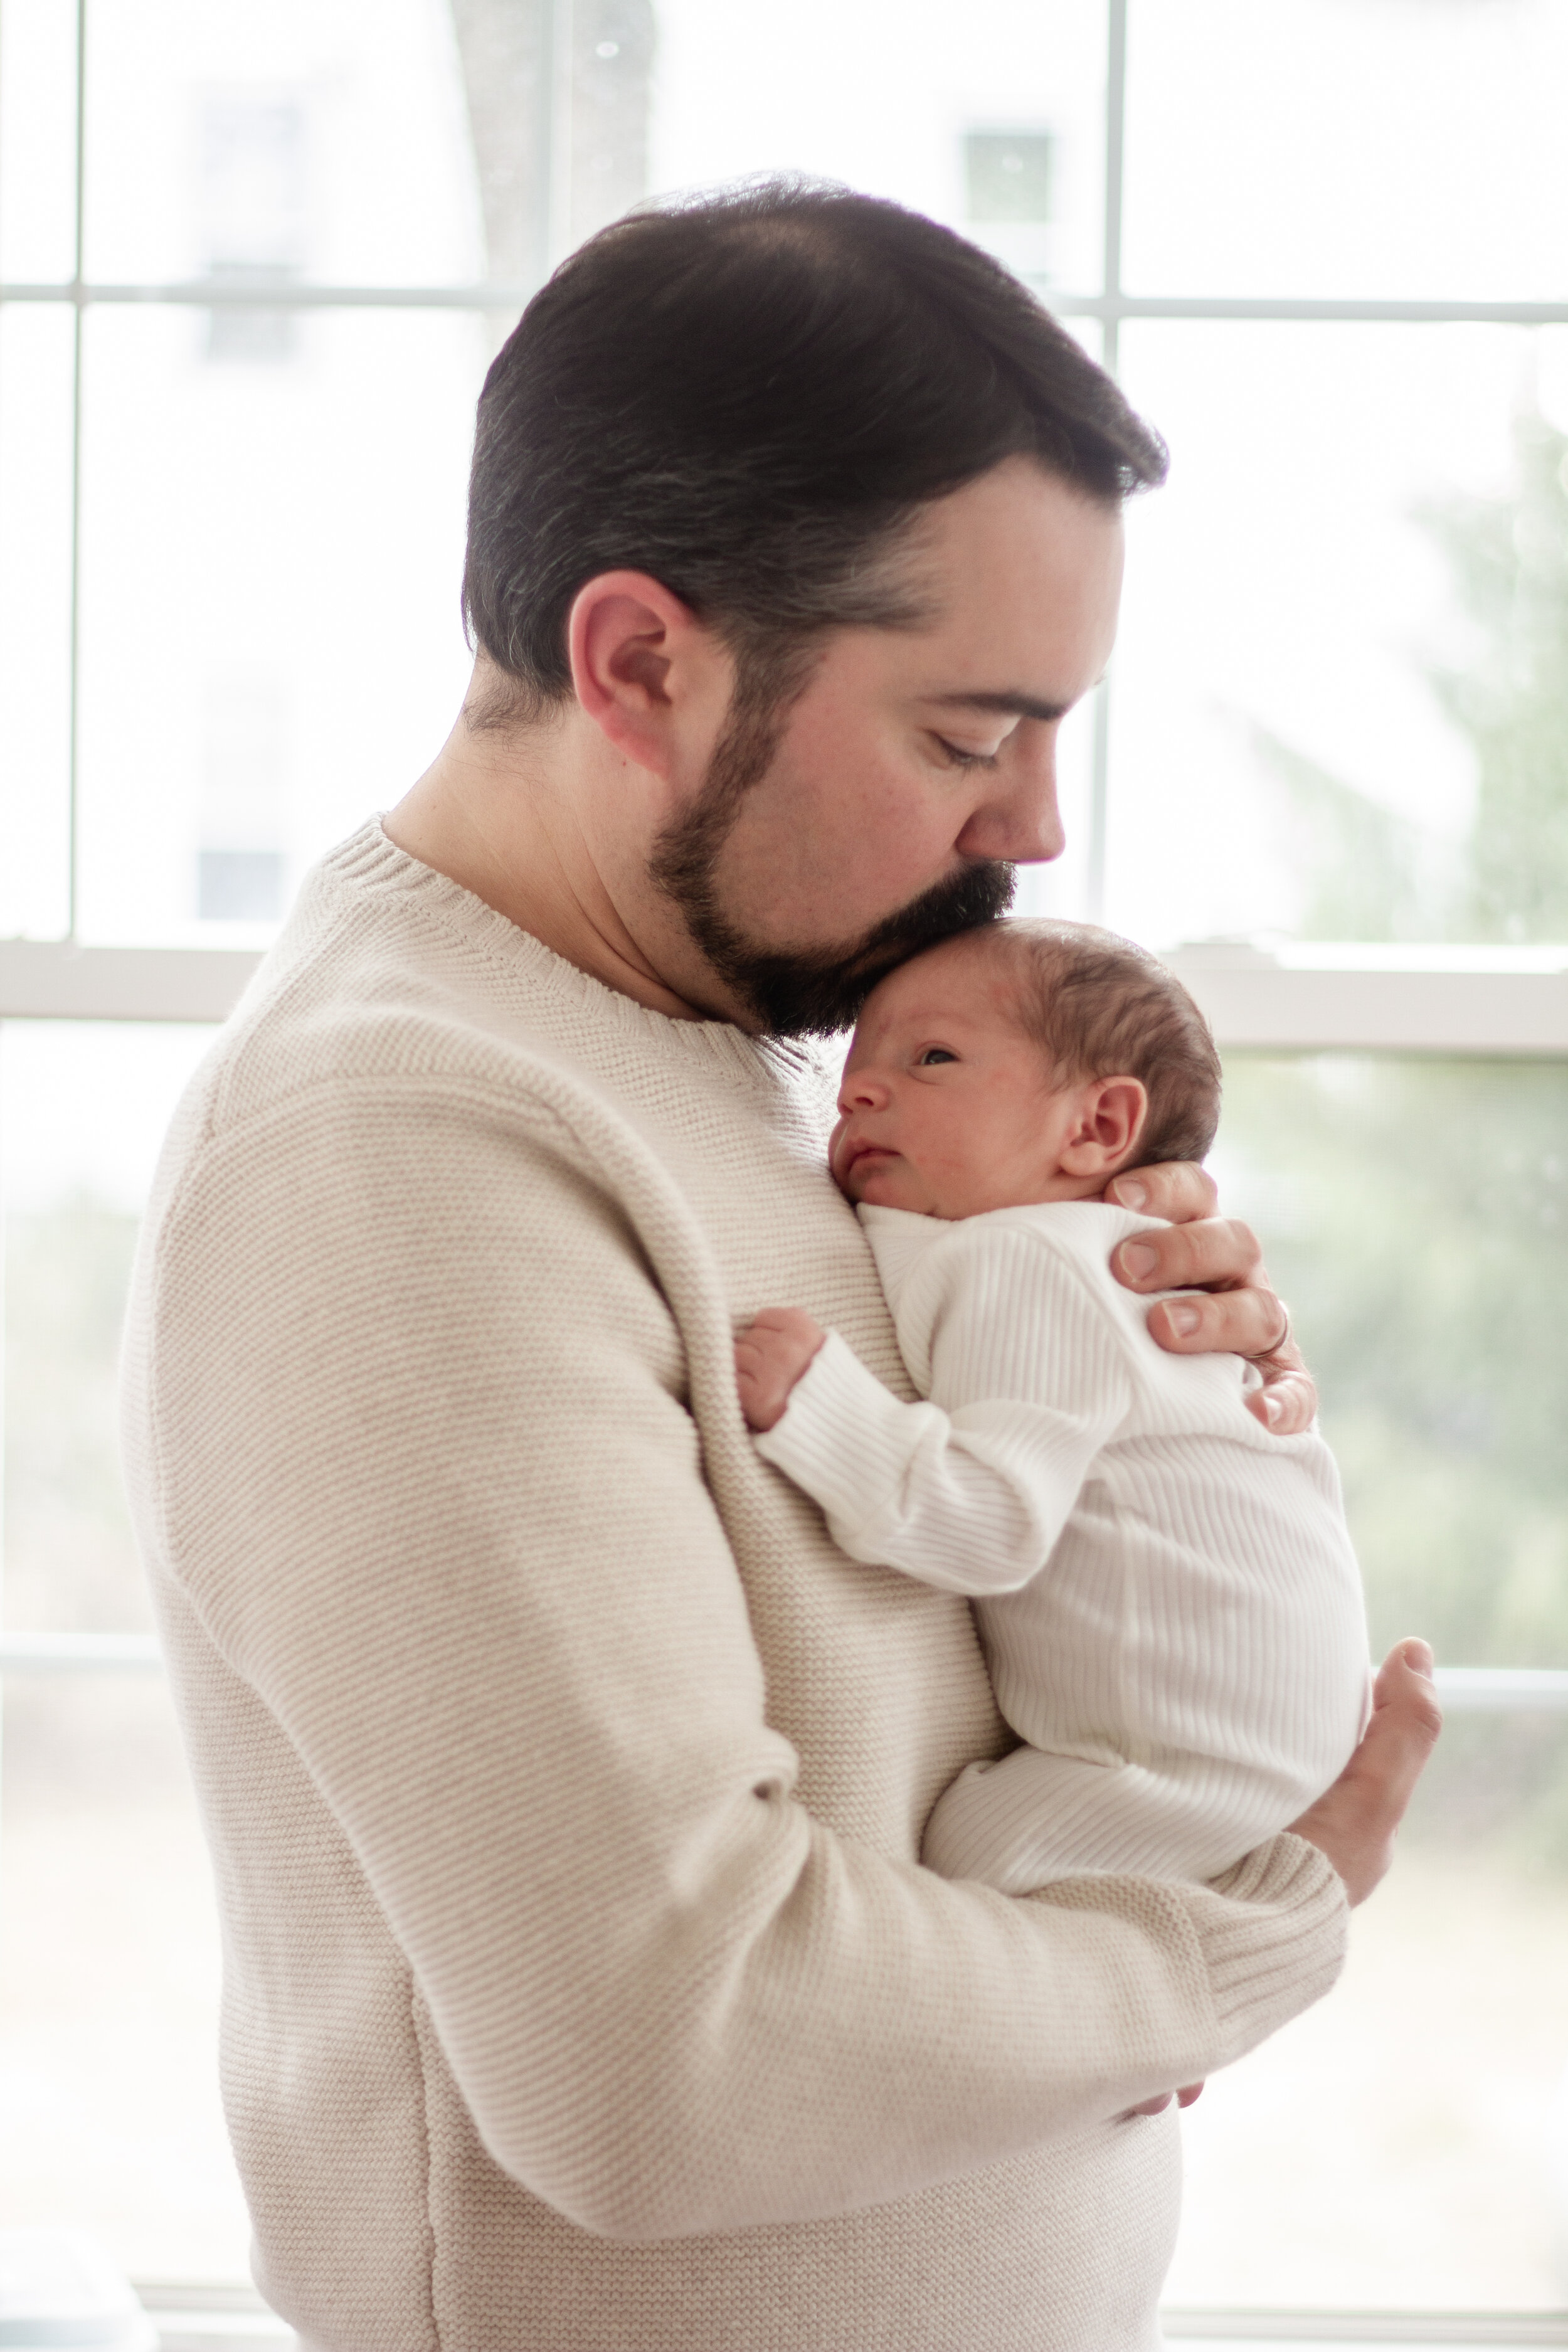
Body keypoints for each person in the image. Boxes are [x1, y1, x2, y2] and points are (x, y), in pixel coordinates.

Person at [121, 182, 1439, 2352]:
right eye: (967, 733)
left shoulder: (746, 1035)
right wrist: (1221, 1946)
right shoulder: (396, 1154)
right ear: (642, 662)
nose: (1037, 829)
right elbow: (677, 2053)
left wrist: (1155, 1403)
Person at [736, 918, 1372, 1894]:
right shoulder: (1073, 1252)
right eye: (854, 1067)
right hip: (1273, 1716)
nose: (856, 1091)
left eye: (932, 1057)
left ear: (1096, 1128)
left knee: (965, 1876)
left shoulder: (1026, 1259)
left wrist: (818, 1406)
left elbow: (994, 1522)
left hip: (1188, 1758)